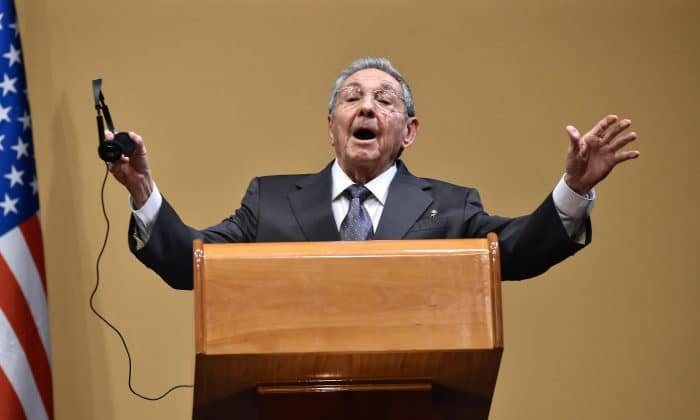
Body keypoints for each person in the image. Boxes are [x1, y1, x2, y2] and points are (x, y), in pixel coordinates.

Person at [106, 57, 639, 290]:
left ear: (408, 132)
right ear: (331, 127)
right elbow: (191, 264)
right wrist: (143, 192)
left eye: (384, 101)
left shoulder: (450, 208)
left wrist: (574, 188)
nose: (366, 108)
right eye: (351, 98)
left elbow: (519, 251)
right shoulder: (268, 202)